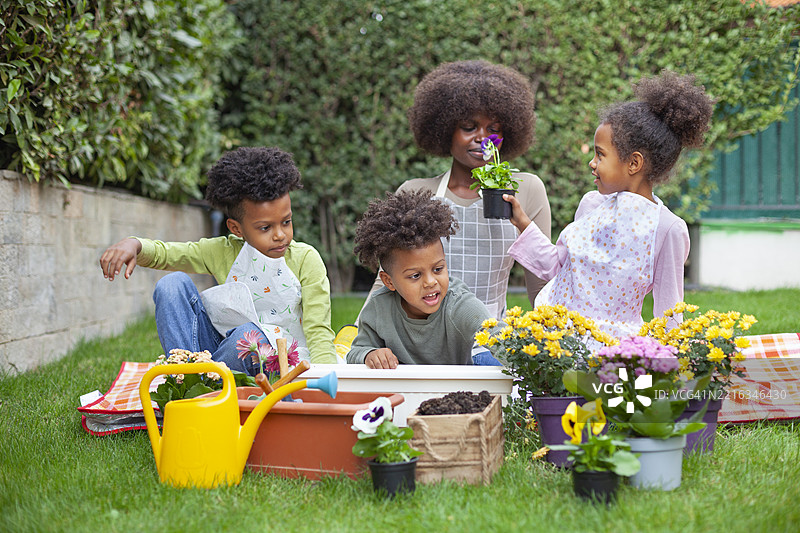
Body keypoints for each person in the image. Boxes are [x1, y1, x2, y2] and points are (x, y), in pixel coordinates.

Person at [505, 70, 714, 338]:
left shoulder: (667, 229)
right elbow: (558, 267)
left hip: (614, 352)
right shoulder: (591, 205)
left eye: (600, 155)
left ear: (634, 163)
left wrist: (665, 361)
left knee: (595, 376)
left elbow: (669, 312)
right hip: (555, 340)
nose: (592, 163)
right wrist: (523, 222)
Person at [99, 146, 337, 373]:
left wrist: (327, 376)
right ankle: (189, 377)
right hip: (218, 349)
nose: (280, 235)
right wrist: (136, 245)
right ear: (236, 228)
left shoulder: (305, 259)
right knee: (171, 285)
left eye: (286, 222)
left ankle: (209, 382)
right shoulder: (222, 252)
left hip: (275, 363)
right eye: (265, 227)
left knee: (248, 335)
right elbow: (170, 254)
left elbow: (318, 330)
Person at [365, 60, 552, 320]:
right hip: (422, 337)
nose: (482, 138)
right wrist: (360, 334)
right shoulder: (415, 192)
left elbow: (542, 283)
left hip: (490, 336)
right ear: (445, 129)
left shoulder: (527, 190)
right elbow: (387, 281)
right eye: (469, 127)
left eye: (493, 129)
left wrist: (551, 336)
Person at [346, 190, 496, 368]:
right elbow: (355, 352)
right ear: (389, 281)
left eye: (438, 269)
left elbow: (499, 335)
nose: (431, 282)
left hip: (455, 384)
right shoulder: (379, 308)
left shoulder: (459, 304)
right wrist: (370, 354)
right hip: (405, 385)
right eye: (415, 276)